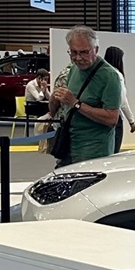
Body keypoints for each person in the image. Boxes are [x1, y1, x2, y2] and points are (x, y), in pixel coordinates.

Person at [49, 25, 122, 165]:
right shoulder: (73, 69)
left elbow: (112, 119)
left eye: (84, 52)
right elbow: (60, 109)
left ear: (96, 50)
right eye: (73, 52)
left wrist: (76, 104)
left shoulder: (109, 76)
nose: (78, 58)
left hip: (94, 151)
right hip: (69, 147)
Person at [103, 46, 135, 153]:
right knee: (114, 151)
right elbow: (122, 101)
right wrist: (131, 121)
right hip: (115, 118)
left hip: (101, 117)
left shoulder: (101, 74)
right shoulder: (116, 75)